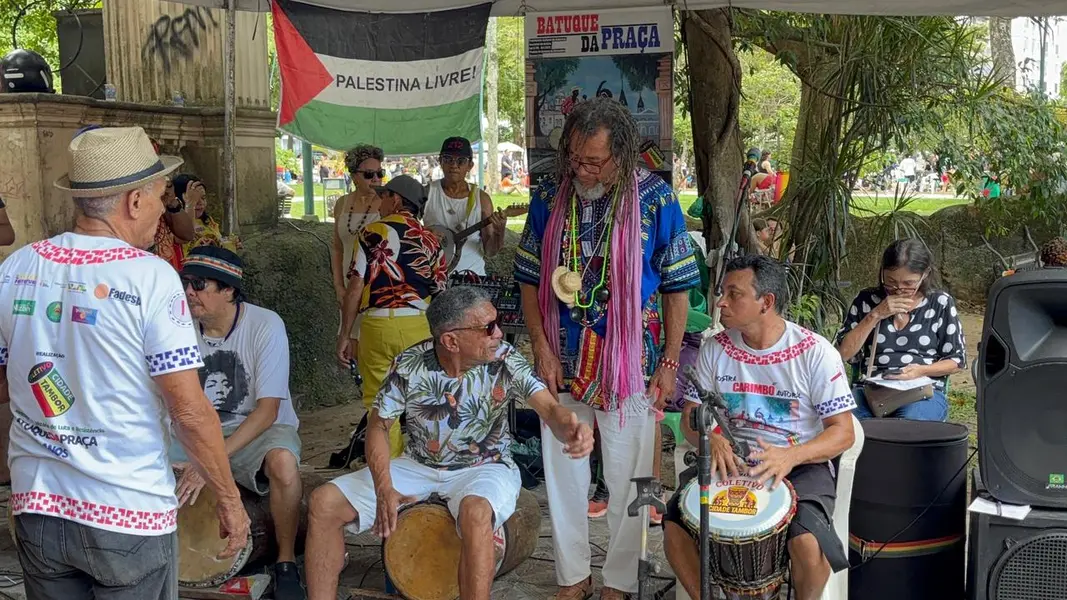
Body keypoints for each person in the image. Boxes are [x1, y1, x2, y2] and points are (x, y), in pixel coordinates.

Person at [0, 126, 250, 600]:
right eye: (160, 197)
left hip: (38, 506)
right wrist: (231, 501)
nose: (162, 209)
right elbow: (189, 410)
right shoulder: (150, 277)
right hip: (126, 511)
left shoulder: (17, 267)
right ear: (134, 201)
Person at [514, 97, 701, 600]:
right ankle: (572, 577)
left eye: (594, 161)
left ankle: (619, 580)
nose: (583, 169)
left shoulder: (657, 198)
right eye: (575, 158)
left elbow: (677, 286)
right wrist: (541, 348)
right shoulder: (551, 194)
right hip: (562, 356)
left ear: (621, 153)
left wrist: (667, 363)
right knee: (564, 474)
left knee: (631, 477)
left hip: (633, 362)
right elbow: (530, 279)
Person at [308, 286, 594, 600]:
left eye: (496, 322)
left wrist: (571, 427)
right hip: (420, 465)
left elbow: (549, 408)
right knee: (324, 503)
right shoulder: (410, 364)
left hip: (486, 466)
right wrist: (383, 486)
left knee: (474, 512)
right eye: (487, 328)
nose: (498, 333)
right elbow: (379, 425)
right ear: (450, 340)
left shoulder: (504, 359)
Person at [664, 255, 856, 600]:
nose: (720, 301)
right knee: (675, 526)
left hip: (798, 464)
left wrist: (791, 455)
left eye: (733, 294)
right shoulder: (714, 349)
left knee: (809, 543)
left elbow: (843, 432)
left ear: (765, 302)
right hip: (728, 463)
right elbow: (693, 415)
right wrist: (712, 439)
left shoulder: (814, 352)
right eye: (722, 292)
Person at [172, 246, 305, 599]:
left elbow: (268, 411)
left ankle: (286, 561)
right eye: (186, 283)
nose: (189, 292)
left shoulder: (265, 324)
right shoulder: (176, 325)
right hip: (196, 431)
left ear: (229, 289)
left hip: (255, 428)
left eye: (199, 284)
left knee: (283, 462)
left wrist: (209, 462)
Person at [337, 175, 447, 458]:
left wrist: (345, 333)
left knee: (380, 406)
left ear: (396, 200)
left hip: (377, 326)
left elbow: (355, 287)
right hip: (419, 327)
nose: (380, 201)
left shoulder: (371, 233)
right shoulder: (432, 240)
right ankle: (428, 467)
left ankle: (389, 474)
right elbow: (440, 292)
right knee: (424, 400)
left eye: (384, 195)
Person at [835, 239, 966, 421]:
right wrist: (875, 315)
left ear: (925, 274)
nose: (899, 290)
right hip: (873, 390)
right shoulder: (867, 299)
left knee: (907, 425)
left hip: (921, 389)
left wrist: (920, 371)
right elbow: (844, 354)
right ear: (882, 273)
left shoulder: (940, 303)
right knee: (846, 424)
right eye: (891, 282)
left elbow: (956, 360)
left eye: (909, 283)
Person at [423, 137, 506, 276]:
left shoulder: (482, 199)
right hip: (433, 278)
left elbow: (490, 252)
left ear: (470, 165)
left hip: (472, 278)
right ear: (440, 161)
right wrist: (425, 234)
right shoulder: (427, 193)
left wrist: (500, 231)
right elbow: (408, 232)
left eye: (461, 161)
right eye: (448, 159)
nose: (454, 165)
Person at [331, 146, 384, 363]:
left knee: (373, 351)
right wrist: (338, 286)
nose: (376, 180)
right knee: (351, 349)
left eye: (380, 173)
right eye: (369, 174)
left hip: (377, 287)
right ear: (354, 176)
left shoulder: (388, 202)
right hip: (348, 284)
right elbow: (336, 247)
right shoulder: (343, 203)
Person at [177, 174, 239, 254]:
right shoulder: (175, 225)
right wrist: (190, 205)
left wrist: (230, 245)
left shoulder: (208, 221)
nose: (201, 203)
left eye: (203, 198)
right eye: (194, 199)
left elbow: (219, 243)